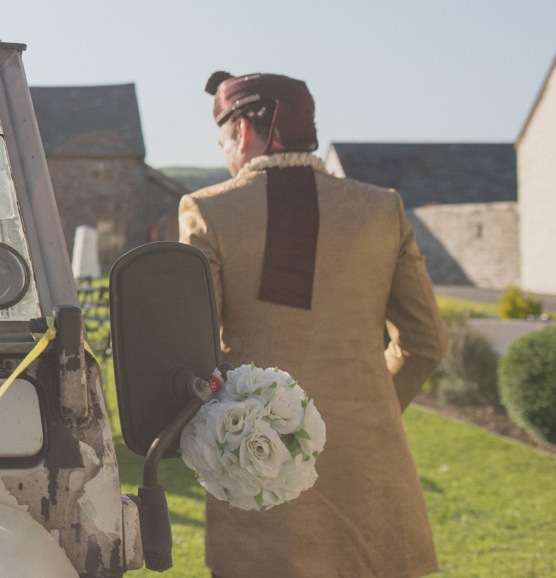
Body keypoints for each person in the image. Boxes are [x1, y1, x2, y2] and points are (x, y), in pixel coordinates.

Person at [179, 71, 448, 578]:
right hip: (370, 470)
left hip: (257, 468)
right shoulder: (381, 209)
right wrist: (365, 408)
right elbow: (427, 343)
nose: (225, 154)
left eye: (222, 141)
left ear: (240, 132)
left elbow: (191, 349)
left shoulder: (208, 212)